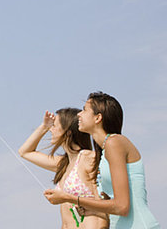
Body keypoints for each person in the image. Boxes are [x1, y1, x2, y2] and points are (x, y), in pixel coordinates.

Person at [44, 92, 160, 229]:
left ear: (98, 118)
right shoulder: (104, 152)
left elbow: (122, 207)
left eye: (85, 110)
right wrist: (92, 209)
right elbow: (113, 205)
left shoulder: (114, 142)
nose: (79, 114)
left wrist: (68, 198)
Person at [20, 108, 109, 228]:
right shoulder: (64, 163)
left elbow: (105, 204)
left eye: (54, 125)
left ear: (68, 132)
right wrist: (44, 126)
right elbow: (24, 152)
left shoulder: (88, 158)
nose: (51, 129)